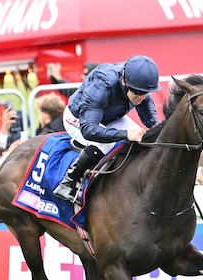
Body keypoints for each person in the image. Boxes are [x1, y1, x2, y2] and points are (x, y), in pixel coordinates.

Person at [53, 56, 162, 204]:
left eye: (145, 93)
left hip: (109, 116)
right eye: (138, 93)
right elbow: (89, 130)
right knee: (106, 144)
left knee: (141, 138)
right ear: (124, 83)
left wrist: (158, 129)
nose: (142, 97)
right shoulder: (102, 85)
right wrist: (125, 134)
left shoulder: (137, 84)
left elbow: (149, 118)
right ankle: (67, 182)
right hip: (79, 118)